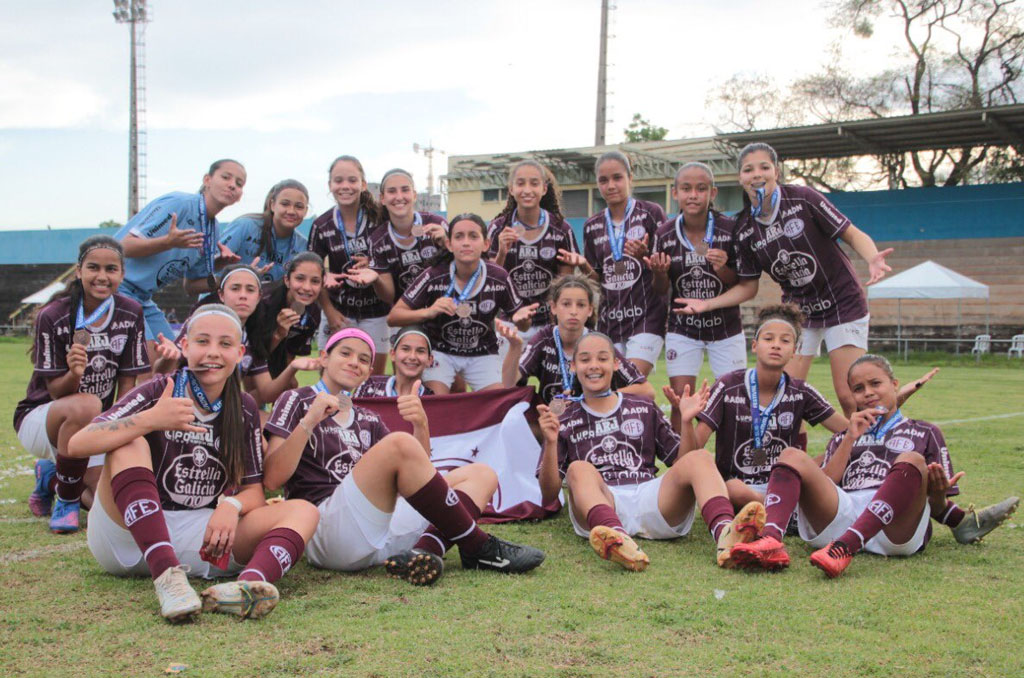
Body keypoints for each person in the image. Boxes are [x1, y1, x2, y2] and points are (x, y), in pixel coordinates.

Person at [67, 305, 320, 621]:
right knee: (127, 441)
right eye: (202, 342)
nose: (213, 353)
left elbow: (254, 493)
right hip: (127, 535)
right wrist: (149, 420)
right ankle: (167, 578)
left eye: (225, 344)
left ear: (239, 352)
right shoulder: (161, 390)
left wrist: (230, 506)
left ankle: (245, 587)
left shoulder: (243, 408)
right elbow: (78, 444)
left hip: (197, 534)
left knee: (304, 510)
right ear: (185, 345)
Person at [262, 328, 545, 586]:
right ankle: (477, 545)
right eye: (345, 353)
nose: (353, 362)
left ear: (369, 371)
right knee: (399, 443)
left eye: (363, 359)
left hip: (378, 531)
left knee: (482, 473)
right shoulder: (296, 399)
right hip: (329, 532)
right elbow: (273, 477)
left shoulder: (367, 417)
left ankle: (424, 552)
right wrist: (308, 422)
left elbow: (422, 478)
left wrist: (421, 425)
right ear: (323, 357)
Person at [727, 354, 1008, 577]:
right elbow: (828, 481)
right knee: (790, 455)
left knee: (911, 459)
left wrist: (936, 492)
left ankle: (845, 549)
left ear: (895, 385)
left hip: (894, 528)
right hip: (845, 512)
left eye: (876, 384)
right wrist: (849, 436)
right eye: (858, 389)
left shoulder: (925, 431)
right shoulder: (844, 435)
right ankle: (771, 542)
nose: (868, 393)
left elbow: (935, 507)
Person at [675, 142, 893, 417]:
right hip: (798, 313)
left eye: (764, 167)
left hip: (842, 303)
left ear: (776, 172)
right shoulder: (744, 229)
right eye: (748, 169)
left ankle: (866, 453)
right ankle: (790, 458)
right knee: (783, 396)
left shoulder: (803, 198)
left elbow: (851, 233)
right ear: (740, 178)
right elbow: (748, 286)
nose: (757, 174)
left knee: (850, 396)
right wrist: (708, 304)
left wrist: (872, 257)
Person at [535, 331, 766, 571]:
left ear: (616, 363)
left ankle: (726, 534)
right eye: (585, 359)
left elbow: (682, 462)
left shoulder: (643, 406)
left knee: (701, 457)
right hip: (603, 501)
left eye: (602, 358)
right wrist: (550, 442)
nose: (594, 365)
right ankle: (617, 539)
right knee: (579, 468)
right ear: (573, 366)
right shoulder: (563, 417)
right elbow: (549, 494)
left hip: (652, 498)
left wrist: (686, 422)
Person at [18, 236, 150, 533]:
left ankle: (52, 477)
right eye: (93, 267)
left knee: (106, 503)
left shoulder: (131, 312)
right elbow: (55, 391)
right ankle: (65, 500)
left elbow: (127, 386)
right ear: (78, 271)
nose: (102, 276)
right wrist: (76, 374)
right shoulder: (53, 315)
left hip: (93, 424)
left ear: (122, 274)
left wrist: (116, 431)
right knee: (87, 402)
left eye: (111, 269)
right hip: (44, 418)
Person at [388, 213, 539, 393]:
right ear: (449, 244)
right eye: (459, 236)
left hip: (482, 353)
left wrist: (522, 319)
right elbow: (394, 317)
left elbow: (523, 326)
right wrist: (429, 312)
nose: (466, 242)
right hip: (441, 352)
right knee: (436, 404)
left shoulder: (499, 277)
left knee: (498, 403)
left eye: (473, 236)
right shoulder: (434, 274)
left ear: (486, 244)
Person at [648, 162, 747, 431]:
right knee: (681, 402)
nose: (693, 195)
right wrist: (659, 273)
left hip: (725, 328)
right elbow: (661, 290)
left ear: (713, 193)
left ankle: (726, 466)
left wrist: (722, 267)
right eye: (686, 188)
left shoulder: (730, 229)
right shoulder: (664, 233)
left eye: (701, 189)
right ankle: (682, 465)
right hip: (683, 328)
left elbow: (740, 283)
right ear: (675, 193)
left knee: (737, 401)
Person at [114, 159, 246, 360]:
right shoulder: (180, 203)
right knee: (149, 358)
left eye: (239, 183)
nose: (232, 185)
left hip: (143, 297)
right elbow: (123, 247)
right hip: (117, 287)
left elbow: (191, 286)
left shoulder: (212, 228)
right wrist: (168, 242)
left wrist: (228, 275)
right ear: (208, 180)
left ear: (239, 196)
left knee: (175, 359)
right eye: (226, 177)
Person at [153, 265, 329, 408]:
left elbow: (266, 393)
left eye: (250, 290)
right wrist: (169, 358)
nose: (243, 295)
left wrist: (292, 368)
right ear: (221, 295)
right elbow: (159, 374)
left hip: (221, 410)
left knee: (272, 433)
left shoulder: (252, 335)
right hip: (183, 406)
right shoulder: (201, 323)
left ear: (259, 297)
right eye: (235, 288)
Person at [574, 151, 667, 377]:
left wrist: (646, 259)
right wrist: (583, 266)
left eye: (617, 178)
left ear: (630, 177)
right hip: (610, 322)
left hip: (646, 318)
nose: (611, 186)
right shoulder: (592, 225)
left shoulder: (651, 213)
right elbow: (598, 281)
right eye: (603, 180)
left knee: (630, 379)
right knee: (612, 387)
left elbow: (665, 278)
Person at [498, 274, 653, 405]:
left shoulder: (599, 343)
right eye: (566, 304)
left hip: (590, 424)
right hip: (552, 421)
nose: (573, 311)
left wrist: (599, 398)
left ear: (590, 310)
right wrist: (514, 347)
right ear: (553, 307)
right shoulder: (543, 340)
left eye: (580, 305)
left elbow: (646, 391)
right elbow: (508, 383)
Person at [308, 155, 392, 374]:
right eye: (339, 181)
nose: (345, 186)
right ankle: (333, 410)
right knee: (328, 376)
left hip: (377, 312)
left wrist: (373, 264)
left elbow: (393, 260)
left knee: (370, 381)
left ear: (363, 184)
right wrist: (329, 311)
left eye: (352, 180)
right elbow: (313, 271)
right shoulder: (321, 225)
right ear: (330, 185)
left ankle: (361, 410)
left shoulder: (381, 219)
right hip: (339, 311)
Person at [487, 160, 580, 335]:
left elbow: (565, 283)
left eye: (534, 183)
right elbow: (490, 281)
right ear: (511, 189)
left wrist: (556, 325)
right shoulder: (498, 228)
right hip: (509, 322)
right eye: (521, 183)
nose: (527, 190)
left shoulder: (561, 229)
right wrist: (501, 252)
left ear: (544, 189)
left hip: (549, 324)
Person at [368, 168, 449, 304]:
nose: (399, 197)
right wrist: (376, 279)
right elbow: (388, 297)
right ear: (382, 198)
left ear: (414, 195)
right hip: (407, 314)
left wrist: (447, 243)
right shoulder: (378, 240)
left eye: (405, 190)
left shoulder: (438, 223)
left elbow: (464, 267)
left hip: (445, 308)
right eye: (392, 191)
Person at [218, 180, 310, 284]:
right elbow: (212, 267)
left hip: (270, 299)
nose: (291, 211)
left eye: (299, 206)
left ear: (306, 211)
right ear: (272, 205)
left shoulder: (304, 246)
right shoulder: (245, 226)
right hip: (224, 295)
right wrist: (245, 275)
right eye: (285, 204)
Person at [260, 252, 325, 381]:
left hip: (278, 355)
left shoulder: (313, 314)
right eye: (300, 278)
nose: (307, 287)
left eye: (315, 281)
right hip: (248, 355)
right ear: (287, 280)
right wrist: (278, 334)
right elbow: (255, 356)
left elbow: (290, 355)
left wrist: (285, 383)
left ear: (322, 285)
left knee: (290, 385)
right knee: (259, 390)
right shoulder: (263, 301)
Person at [354, 326, 435, 398]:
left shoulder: (431, 400)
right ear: (393, 354)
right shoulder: (370, 385)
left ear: (429, 360)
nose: (412, 357)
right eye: (405, 349)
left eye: (420, 351)